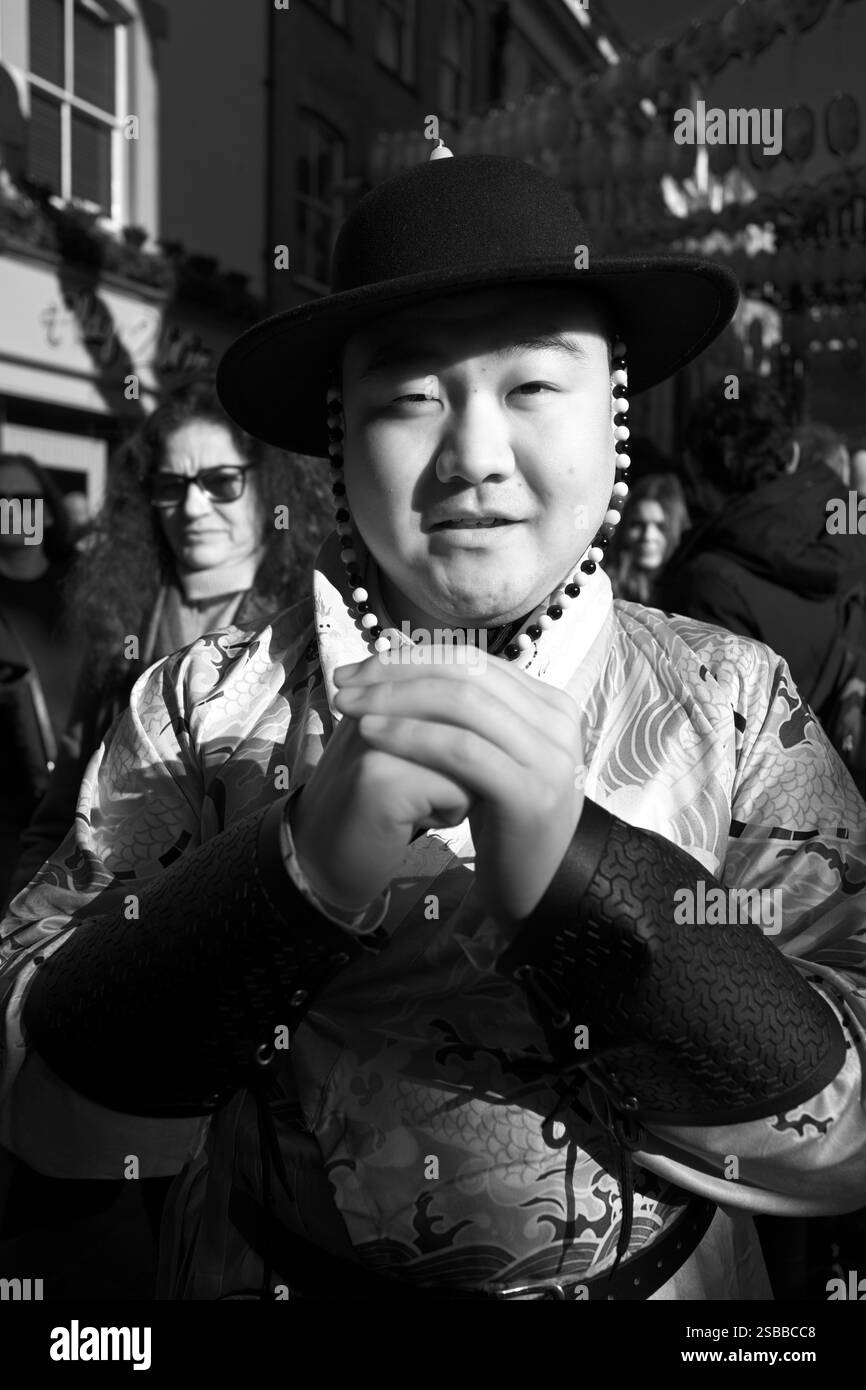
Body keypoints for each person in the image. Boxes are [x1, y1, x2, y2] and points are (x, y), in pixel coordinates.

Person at [2, 150, 866, 1304]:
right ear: (336, 432)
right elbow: (33, 1080)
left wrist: (594, 886)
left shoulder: (732, 699)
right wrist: (291, 872)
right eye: (410, 397)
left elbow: (849, 1124)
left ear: (613, 413)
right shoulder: (197, 710)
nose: (471, 457)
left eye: (530, 388)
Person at [6, 381, 303, 906]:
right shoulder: (118, 618)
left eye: (220, 481)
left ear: (270, 485)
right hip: (107, 935)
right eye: (171, 485)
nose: (191, 507)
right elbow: (58, 815)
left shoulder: (313, 621)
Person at [661, 379, 866, 767]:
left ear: (694, 471)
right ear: (791, 456)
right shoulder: (851, 520)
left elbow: (704, 759)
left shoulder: (707, 585)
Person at [0, 455, 79, 906]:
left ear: (48, 512)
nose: (11, 509)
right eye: (0, 500)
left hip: (90, 806)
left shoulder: (93, 587)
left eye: (24, 499)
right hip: (10, 823)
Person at [607, 473, 689, 604]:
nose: (648, 536)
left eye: (662, 527)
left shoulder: (690, 590)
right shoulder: (604, 587)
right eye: (637, 524)